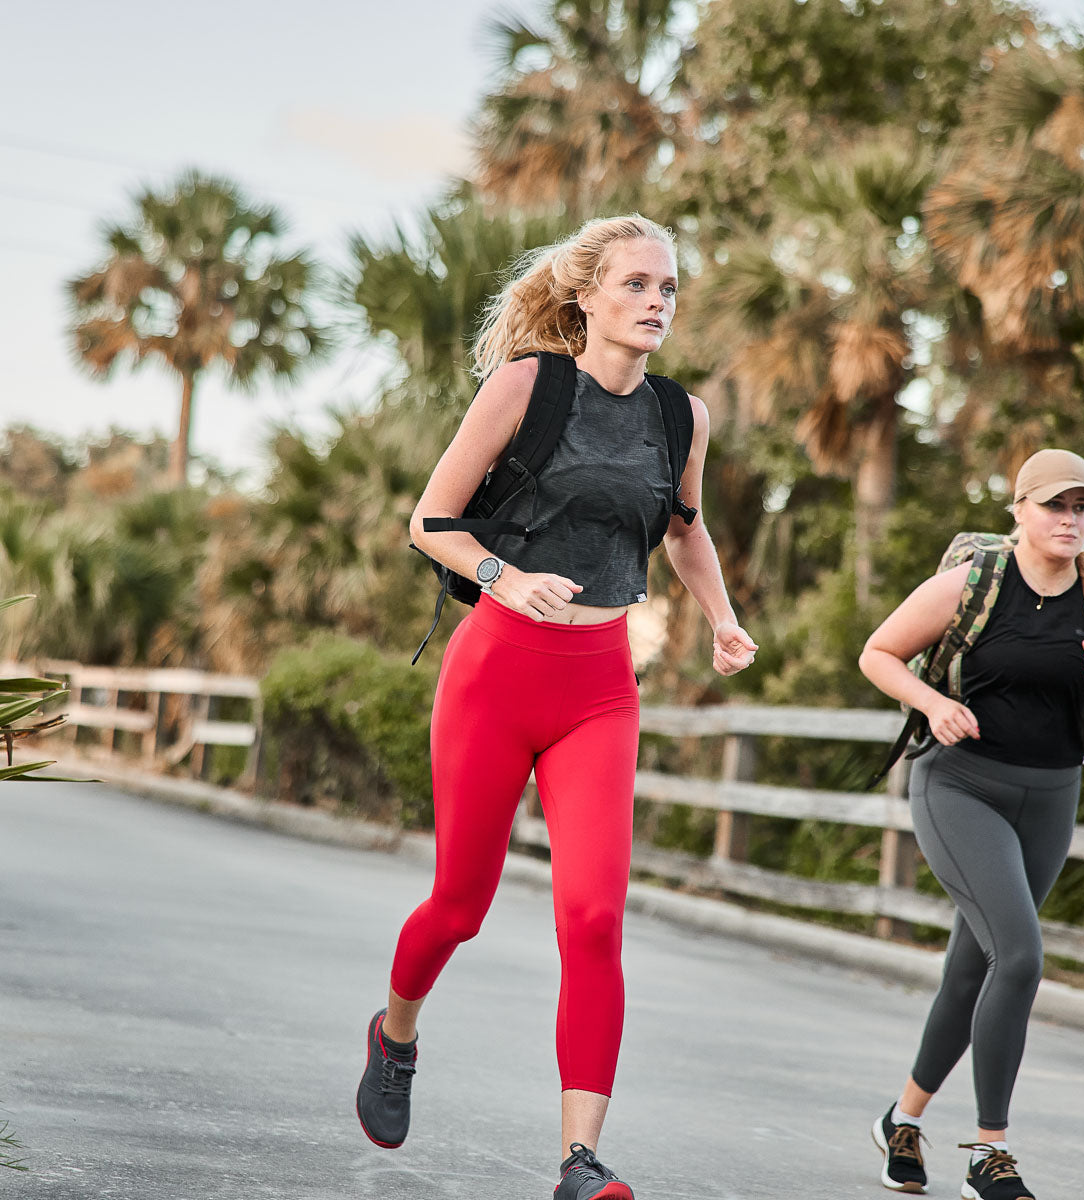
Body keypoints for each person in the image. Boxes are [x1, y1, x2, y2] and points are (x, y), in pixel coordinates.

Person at [355, 214, 757, 1200]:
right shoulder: (526, 388)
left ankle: (581, 1160)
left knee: (594, 916)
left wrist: (722, 618)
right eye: (636, 285)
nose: (656, 302)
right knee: (461, 905)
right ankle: (395, 1031)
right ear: (585, 296)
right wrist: (503, 574)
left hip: (597, 687)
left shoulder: (680, 416)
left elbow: (686, 531)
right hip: (497, 668)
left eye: (668, 288)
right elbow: (432, 520)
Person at [858, 449, 1084, 1200]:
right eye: (1055, 505)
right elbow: (878, 652)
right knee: (1021, 956)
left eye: (1082, 507)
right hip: (959, 784)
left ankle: (901, 1119)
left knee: (974, 968)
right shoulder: (974, 583)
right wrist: (933, 705)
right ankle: (987, 1151)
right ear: (1020, 511)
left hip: (1051, 796)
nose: (1070, 520)